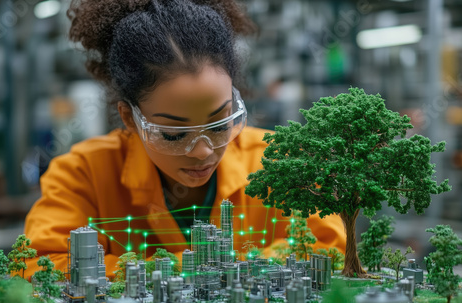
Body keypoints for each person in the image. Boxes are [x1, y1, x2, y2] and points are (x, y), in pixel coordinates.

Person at [23, 0, 345, 280]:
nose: (204, 151)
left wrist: (150, 270)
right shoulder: (84, 174)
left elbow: (327, 246)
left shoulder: (281, 160)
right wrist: (198, 268)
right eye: (174, 135)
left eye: (220, 123)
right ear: (129, 118)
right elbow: (41, 265)